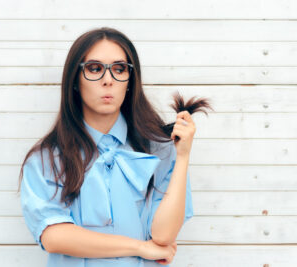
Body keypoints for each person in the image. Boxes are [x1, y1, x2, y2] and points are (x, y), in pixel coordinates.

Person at [17, 27, 211, 266]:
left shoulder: (158, 149)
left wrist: (182, 156)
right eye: (95, 69)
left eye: (119, 69)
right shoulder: (46, 158)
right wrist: (139, 247)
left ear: (130, 80)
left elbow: (163, 236)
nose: (108, 80)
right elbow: (54, 236)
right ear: (75, 80)